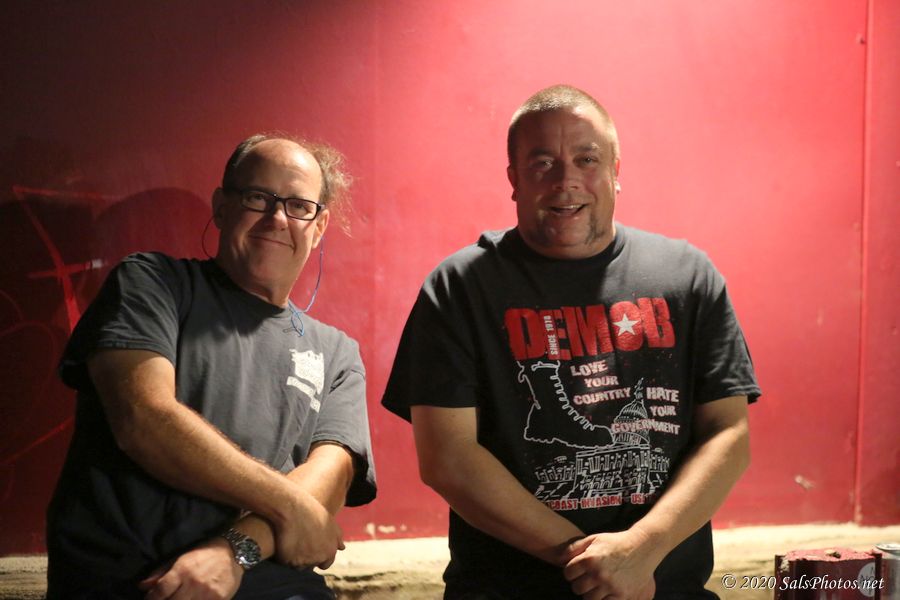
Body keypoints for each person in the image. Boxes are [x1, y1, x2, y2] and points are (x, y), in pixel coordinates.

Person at [382, 85, 760, 600]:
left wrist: (642, 549)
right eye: (543, 164)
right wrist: (595, 565)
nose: (566, 181)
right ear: (514, 180)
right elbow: (448, 458)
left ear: (616, 171)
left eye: (587, 159)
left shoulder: (688, 277)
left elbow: (728, 435)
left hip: (663, 586)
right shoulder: (459, 288)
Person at [46, 134, 376, 599]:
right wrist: (291, 506)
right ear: (222, 207)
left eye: (299, 206)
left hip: (278, 587)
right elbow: (143, 420)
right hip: (137, 585)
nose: (278, 218)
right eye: (258, 197)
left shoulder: (337, 353)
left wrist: (233, 552)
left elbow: (330, 479)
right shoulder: (151, 283)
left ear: (318, 226)